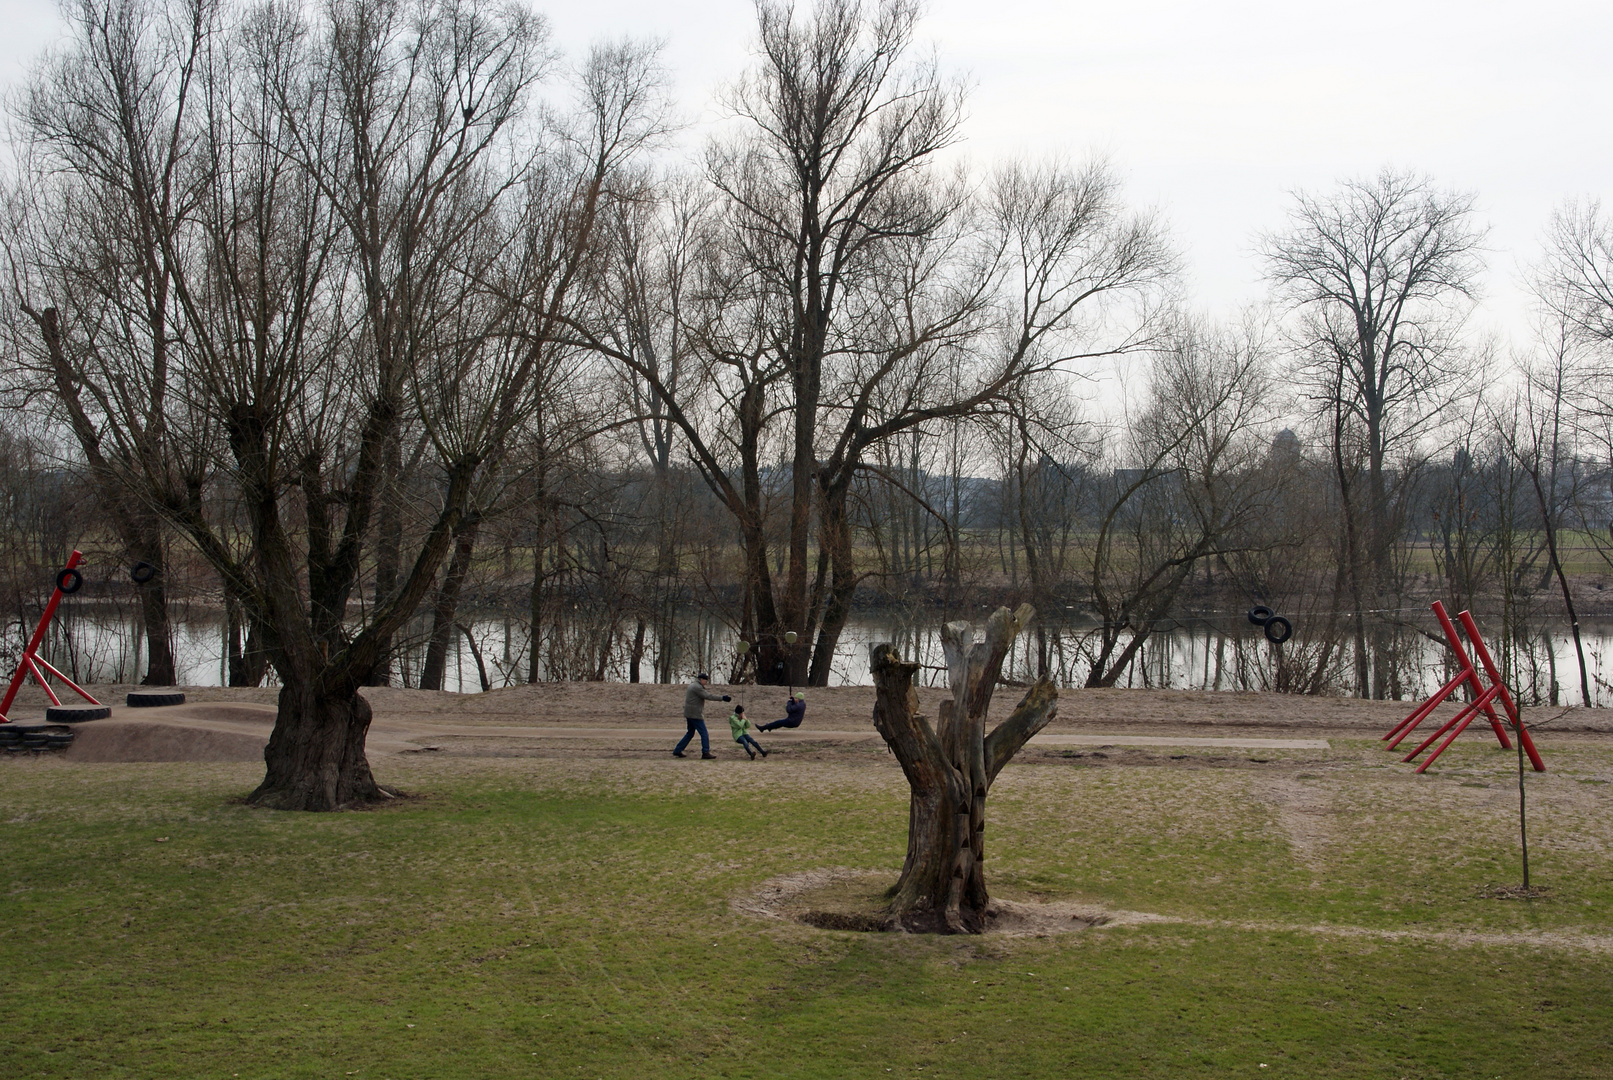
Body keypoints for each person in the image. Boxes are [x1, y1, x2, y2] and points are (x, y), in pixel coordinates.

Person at [674, 673, 729, 759]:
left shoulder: (693, 685)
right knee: (704, 733)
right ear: (701, 679)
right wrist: (722, 698)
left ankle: (678, 750)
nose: (706, 682)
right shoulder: (697, 687)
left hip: (689, 713)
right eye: (705, 680)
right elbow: (708, 696)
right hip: (695, 714)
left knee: (690, 733)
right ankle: (705, 752)